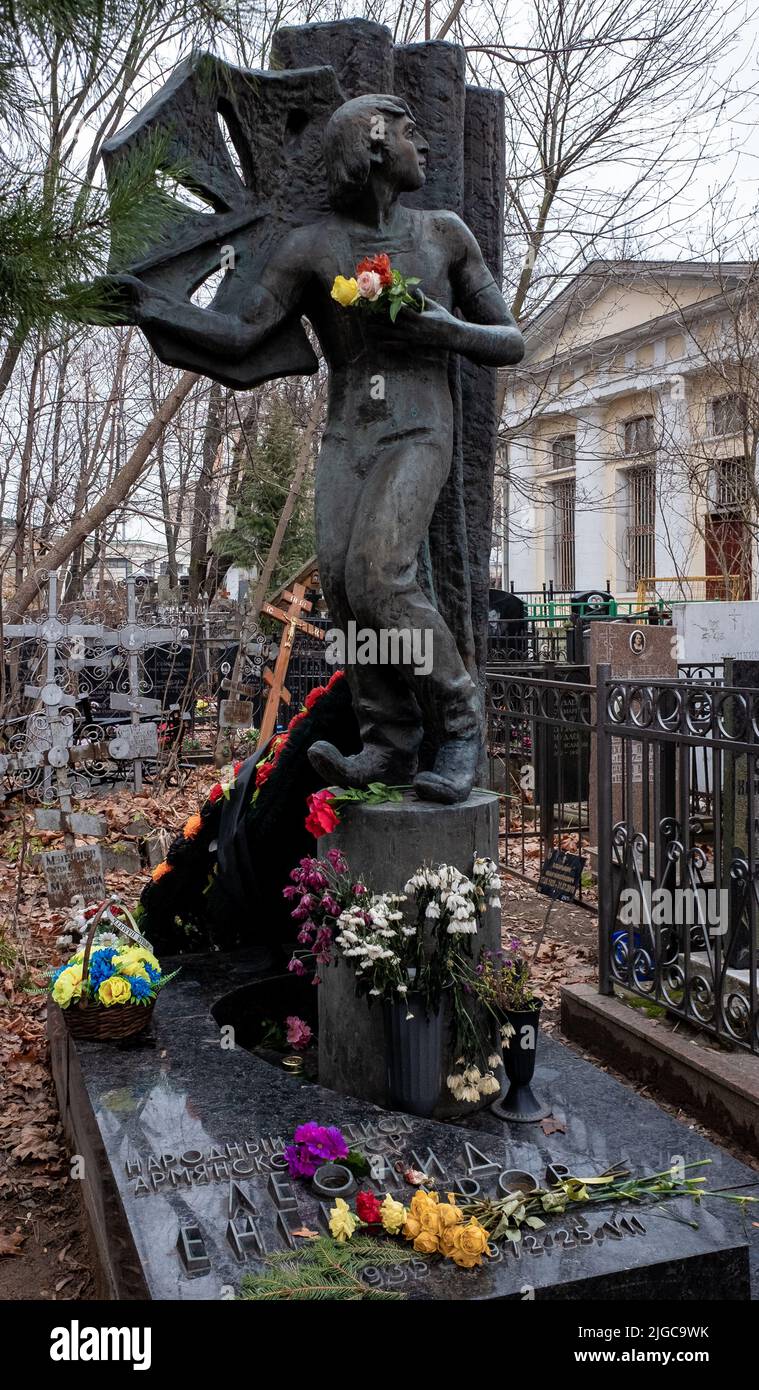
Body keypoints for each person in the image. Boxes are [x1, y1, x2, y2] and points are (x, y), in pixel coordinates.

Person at [110, 93, 524, 803]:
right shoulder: (312, 246)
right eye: (408, 130)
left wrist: (442, 330)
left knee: (379, 574)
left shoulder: (443, 235)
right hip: (346, 433)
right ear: (370, 147)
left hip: (419, 425)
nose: (421, 146)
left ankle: (459, 723)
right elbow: (242, 332)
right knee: (340, 584)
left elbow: (509, 340)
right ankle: (388, 741)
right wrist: (152, 305)